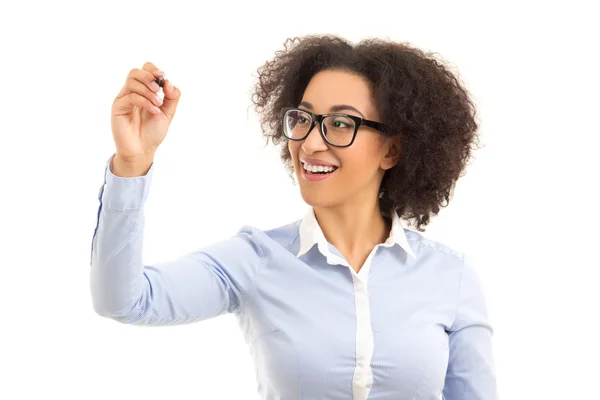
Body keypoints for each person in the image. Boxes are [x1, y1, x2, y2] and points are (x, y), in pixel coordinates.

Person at [90, 34, 498, 399]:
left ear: (392, 150)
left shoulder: (450, 277)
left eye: (340, 123)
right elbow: (124, 300)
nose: (310, 143)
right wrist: (132, 161)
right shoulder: (255, 259)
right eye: (302, 119)